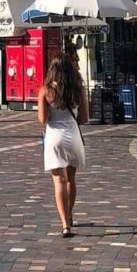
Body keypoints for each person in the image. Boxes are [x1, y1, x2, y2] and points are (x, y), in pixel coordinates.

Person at [37, 54, 89, 238]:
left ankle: (65, 225)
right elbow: (84, 118)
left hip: (54, 137)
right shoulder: (77, 89)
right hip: (73, 136)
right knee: (71, 180)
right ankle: (70, 214)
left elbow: (43, 119)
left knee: (59, 181)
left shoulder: (45, 90)